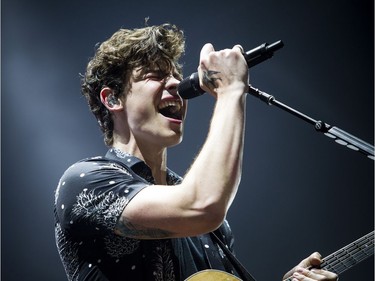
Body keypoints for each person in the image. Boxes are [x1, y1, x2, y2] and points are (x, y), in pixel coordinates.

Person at [54, 23, 338, 281]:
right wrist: (229, 92)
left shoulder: (216, 229)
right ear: (112, 98)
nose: (177, 84)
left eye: (176, 75)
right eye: (155, 75)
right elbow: (202, 205)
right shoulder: (85, 181)